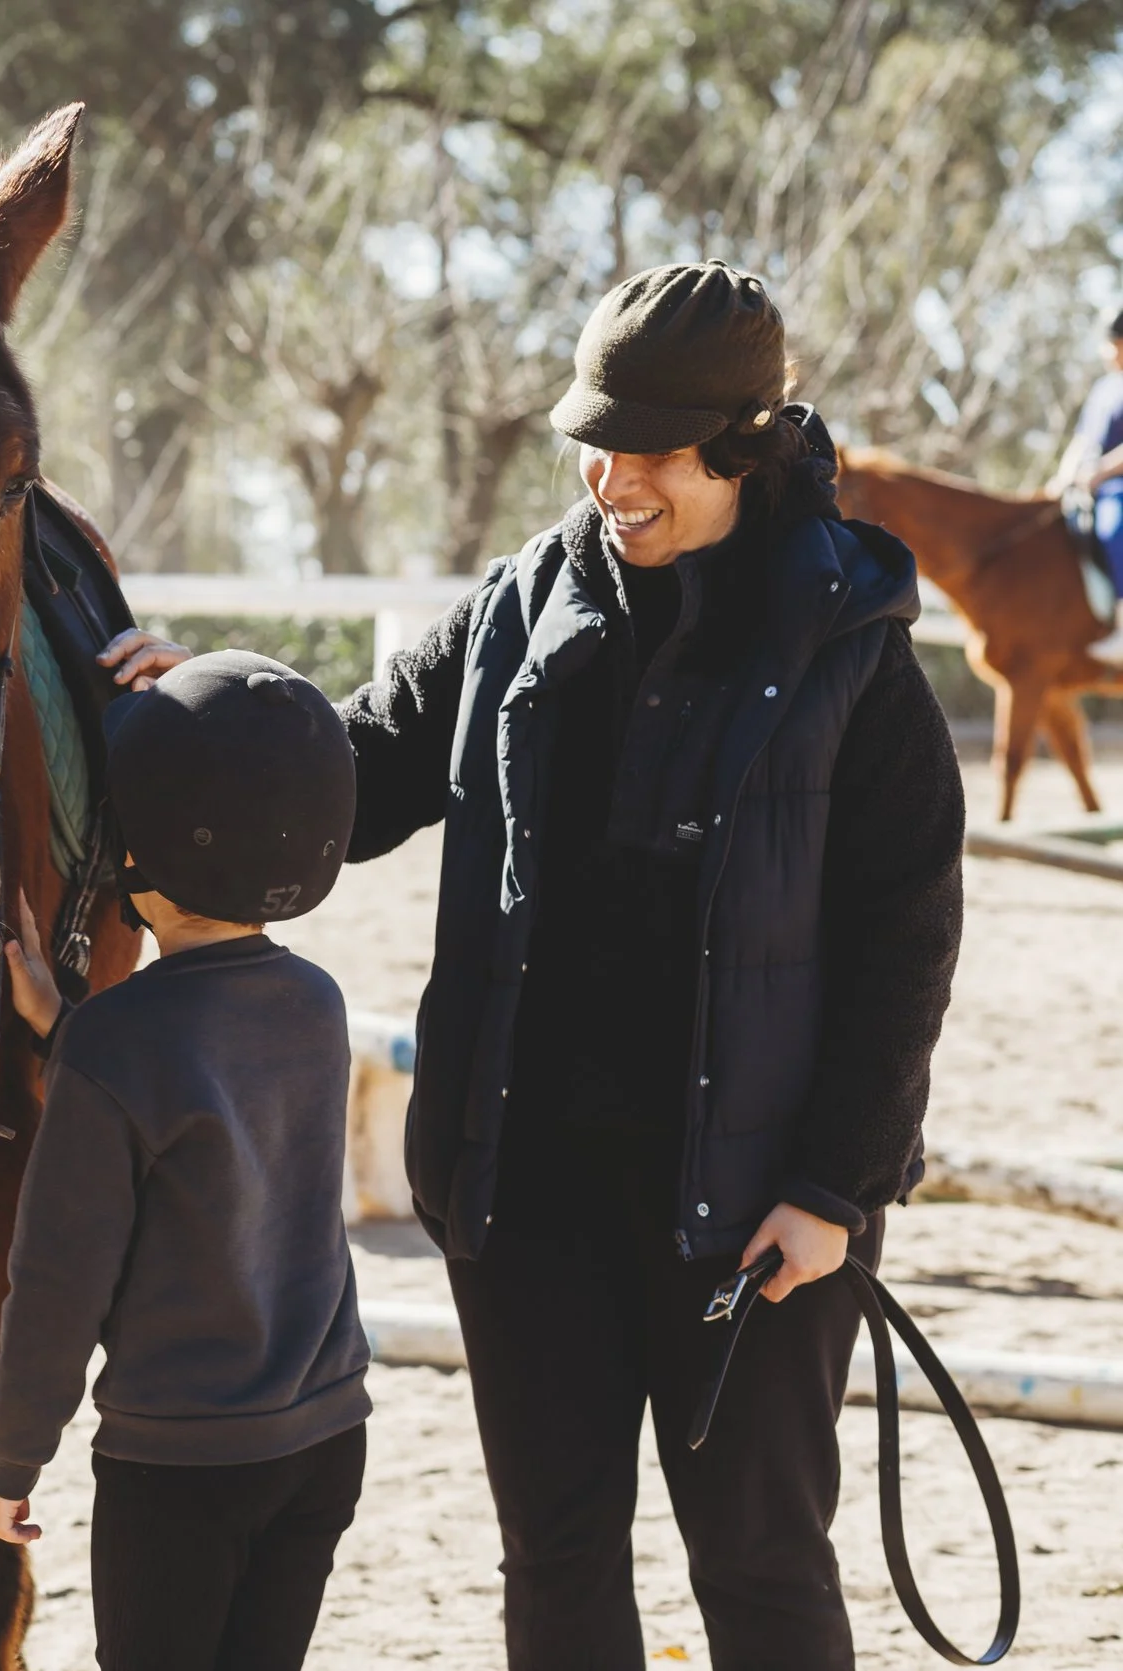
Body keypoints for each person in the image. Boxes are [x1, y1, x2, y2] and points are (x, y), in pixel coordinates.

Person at [98, 260, 965, 1668]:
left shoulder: (854, 657)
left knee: (759, 1564)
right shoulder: (520, 602)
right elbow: (355, 771)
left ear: (744, 445)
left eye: (649, 454)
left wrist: (832, 1190)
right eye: (591, 443)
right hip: (523, 1194)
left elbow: (907, 942)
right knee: (553, 1558)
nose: (609, 479)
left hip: (752, 1218)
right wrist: (203, 706)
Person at [0, 651, 371, 1671]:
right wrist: (63, 1027)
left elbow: (59, 1285)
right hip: (325, 1440)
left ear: (134, 860)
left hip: (180, 1467)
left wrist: (12, 1454)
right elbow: (207, 1106)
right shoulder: (319, 1004)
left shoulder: (117, 1045)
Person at [1046, 305, 1123, 590]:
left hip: (1116, 489)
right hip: (1085, 485)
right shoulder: (1103, 388)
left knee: (1113, 528)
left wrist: (1099, 473)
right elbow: (1082, 439)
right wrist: (1061, 477)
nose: (1107, 352)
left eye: (1113, 344)